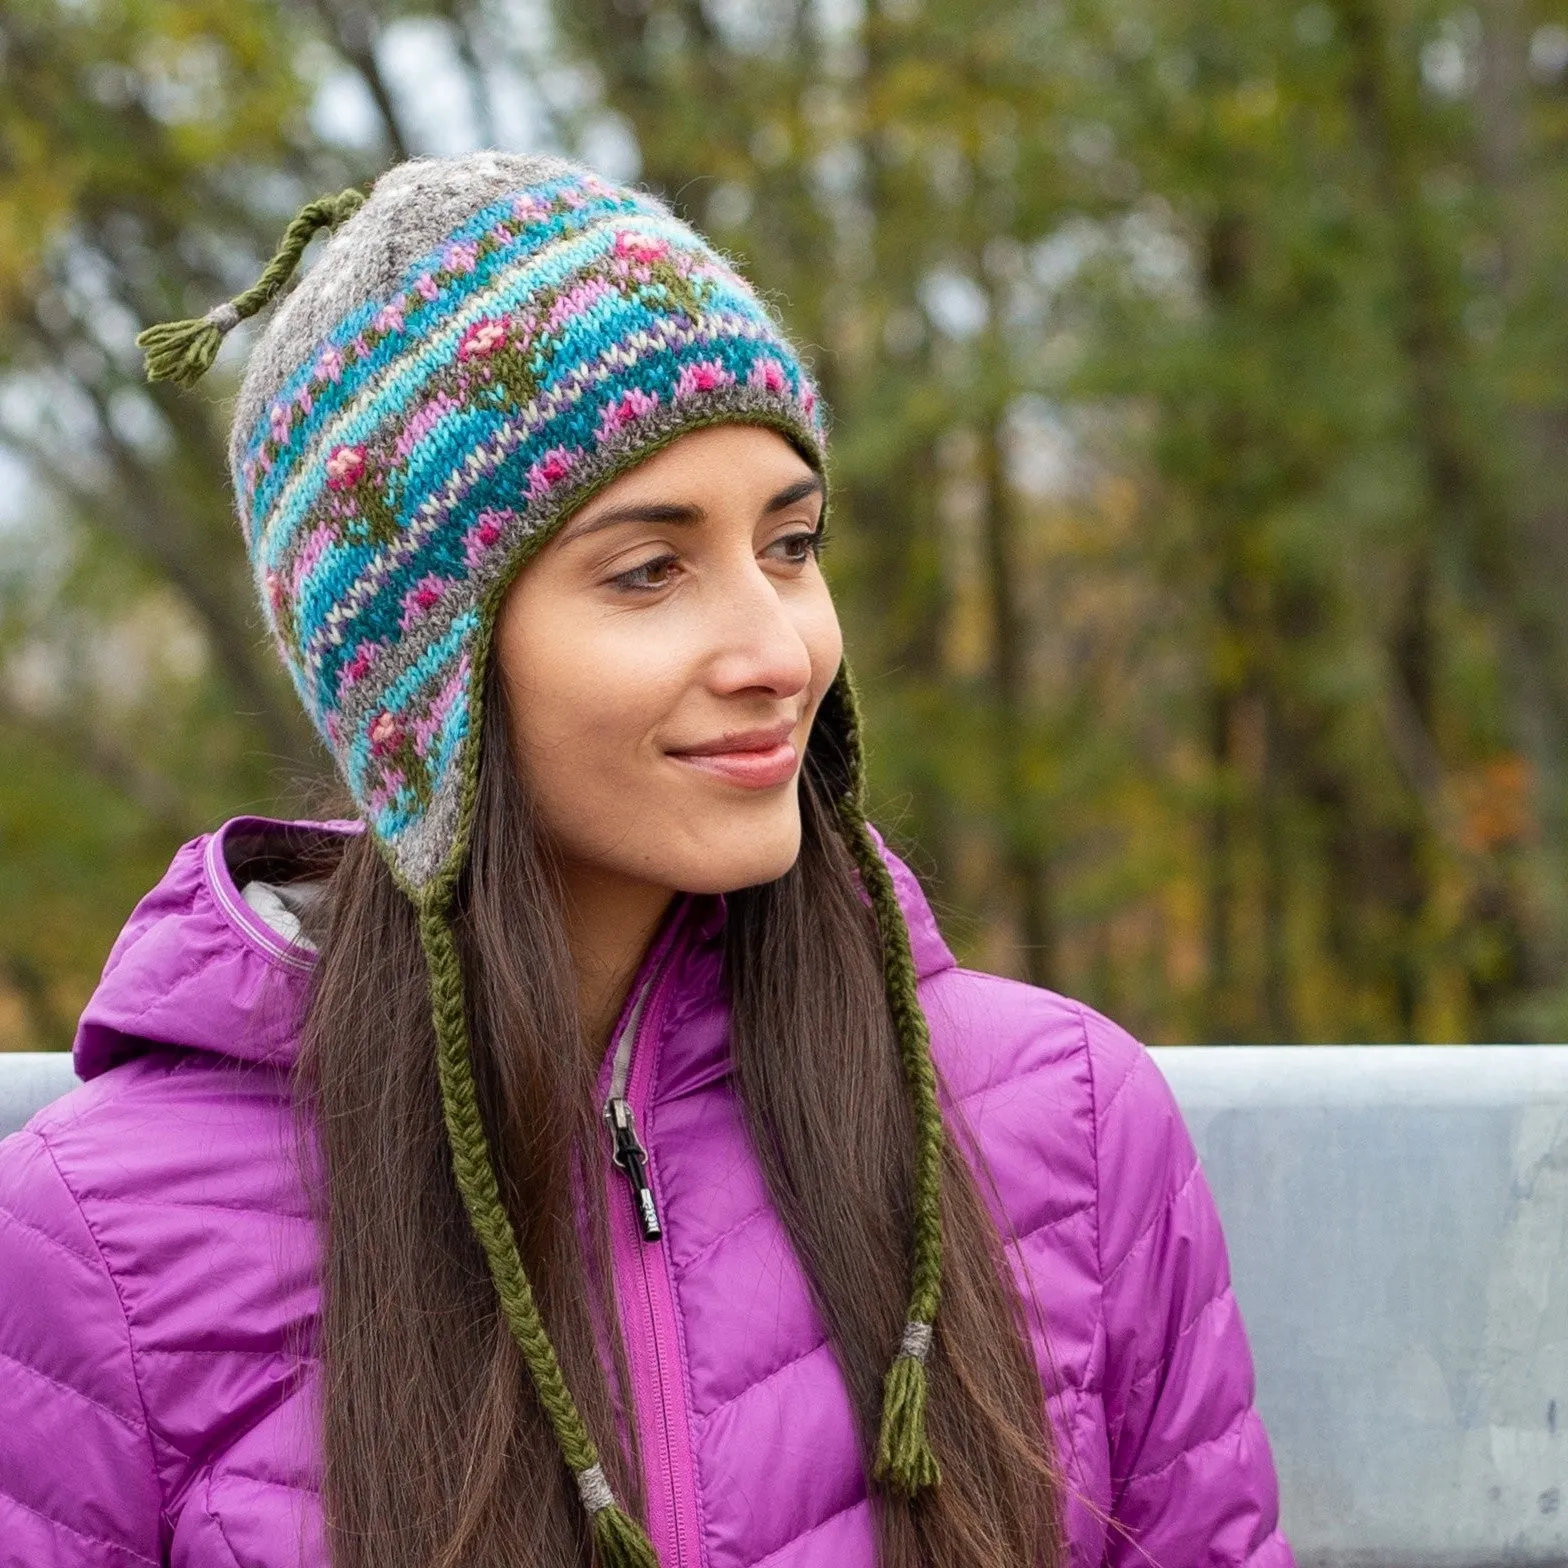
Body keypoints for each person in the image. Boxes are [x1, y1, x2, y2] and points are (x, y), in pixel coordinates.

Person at [0, 152, 1292, 1568]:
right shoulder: (99, 1246)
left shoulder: (1072, 1128)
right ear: (420, 683)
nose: (778, 651)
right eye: (648, 571)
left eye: (791, 545)